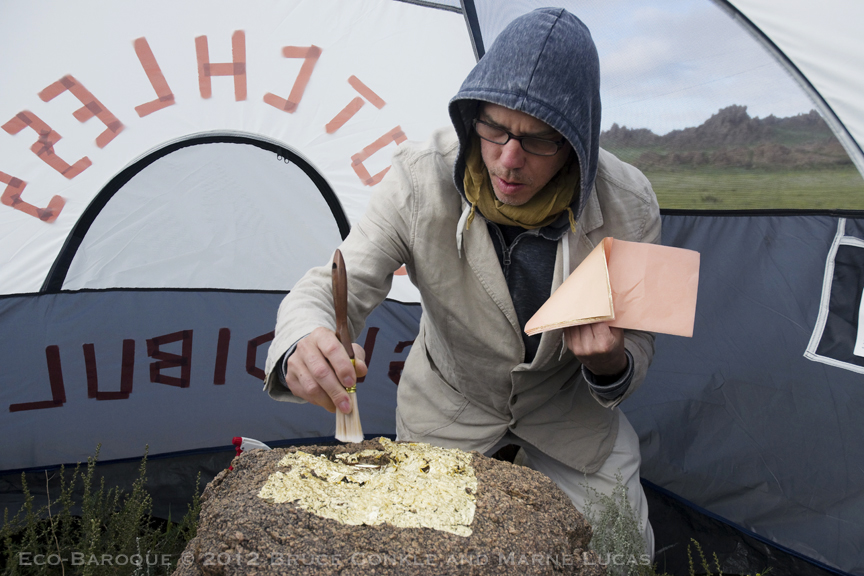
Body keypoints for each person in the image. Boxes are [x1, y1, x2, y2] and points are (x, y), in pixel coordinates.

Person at [263, 7, 660, 558]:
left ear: (577, 140)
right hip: (450, 406)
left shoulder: (631, 205)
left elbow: (639, 344)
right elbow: (331, 286)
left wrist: (608, 363)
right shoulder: (417, 177)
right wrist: (303, 343)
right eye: (493, 128)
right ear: (470, 115)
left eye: (539, 140)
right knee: (420, 556)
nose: (509, 159)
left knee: (624, 553)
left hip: (571, 418)